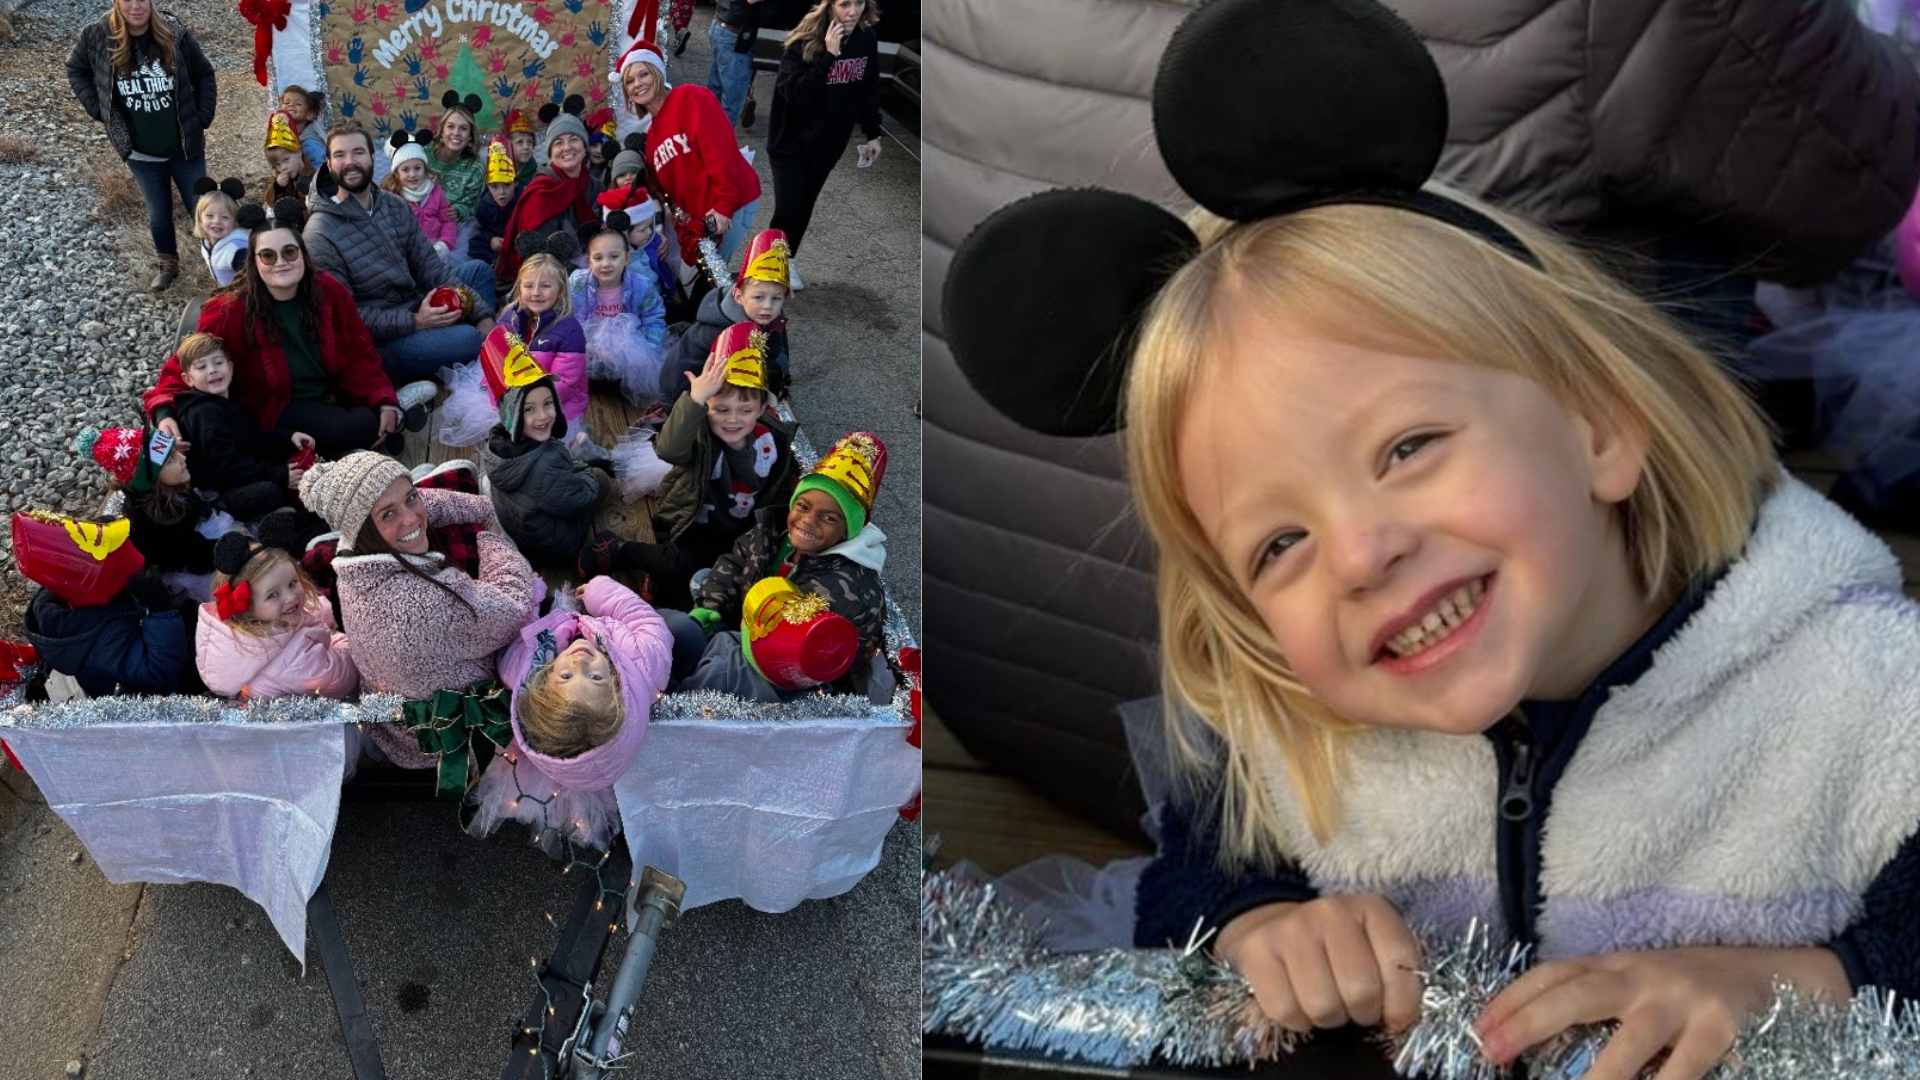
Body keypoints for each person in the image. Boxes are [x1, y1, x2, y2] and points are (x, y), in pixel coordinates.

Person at [940, 3, 1920, 1068]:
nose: (1362, 555)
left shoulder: (1861, 696)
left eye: (1408, 448)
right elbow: (1204, 860)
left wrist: (1819, 983)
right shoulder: (1294, 731)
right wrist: (1255, 924)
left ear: (1599, 423)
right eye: (1280, 545)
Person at [299, 452, 538, 768]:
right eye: (388, 515)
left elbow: (417, 503)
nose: (410, 517)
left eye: (409, 498)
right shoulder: (428, 603)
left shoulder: (351, 551)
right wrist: (493, 536)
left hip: (391, 718)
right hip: (442, 733)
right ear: (365, 528)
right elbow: (514, 604)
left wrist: (481, 506)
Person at [144, 200, 429, 460]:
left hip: (330, 384)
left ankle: (388, 413)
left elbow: (358, 350)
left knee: (385, 363)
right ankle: (375, 428)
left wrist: (383, 399)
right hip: (279, 404)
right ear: (254, 263)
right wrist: (164, 411)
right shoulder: (228, 311)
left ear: (303, 255)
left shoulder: (328, 290)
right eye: (267, 256)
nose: (281, 262)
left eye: (290, 252)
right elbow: (182, 365)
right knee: (361, 425)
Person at [671, 431, 889, 702]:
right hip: (749, 626)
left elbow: (793, 657)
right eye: (803, 506)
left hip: (794, 677)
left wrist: (730, 640)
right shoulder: (774, 531)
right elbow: (735, 561)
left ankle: (679, 707)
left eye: (829, 518)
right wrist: (710, 606)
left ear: (848, 530)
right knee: (683, 622)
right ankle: (669, 676)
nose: (808, 521)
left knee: (727, 667)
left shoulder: (846, 589)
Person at [464, 575, 673, 853]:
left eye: (565, 675)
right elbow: (647, 623)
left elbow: (517, 639)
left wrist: (531, 600)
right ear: (614, 683)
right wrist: (603, 593)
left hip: (563, 625)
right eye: (595, 677)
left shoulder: (519, 670)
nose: (581, 660)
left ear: (543, 681)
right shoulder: (643, 662)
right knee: (680, 625)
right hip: (609, 626)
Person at [594, 327, 796, 611]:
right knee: (676, 569)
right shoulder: (699, 433)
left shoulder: (773, 441)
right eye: (721, 410)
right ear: (707, 406)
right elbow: (668, 448)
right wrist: (695, 401)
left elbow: (778, 488)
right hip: (690, 523)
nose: (733, 420)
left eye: (745, 410)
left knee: (729, 581)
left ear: (763, 407)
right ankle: (624, 551)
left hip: (739, 531)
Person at [305, 122, 498, 384]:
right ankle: (445, 359)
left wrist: (483, 315)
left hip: (416, 302)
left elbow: (432, 268)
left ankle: (463, 352)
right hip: (382, 340)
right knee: (468, 338)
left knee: (478, 271)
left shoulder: (392, 204)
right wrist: (417, 321)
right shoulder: (319, 234)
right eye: (340, 155)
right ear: (328, 163)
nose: (350, 162)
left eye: (358, 152)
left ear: (372, 157)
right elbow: (347, 317)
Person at [65, 0, 217, 292]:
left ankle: (222, 261)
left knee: (203, 206)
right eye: (127, 0)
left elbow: (204, 73)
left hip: (185, 145)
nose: (136, 6)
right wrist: (98, 108)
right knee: (158, 212)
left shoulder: (174, 32)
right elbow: (75, 68)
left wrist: (203, 116)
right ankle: (168, 265)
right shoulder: (97, 35)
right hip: (140, 152)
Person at [16, 509, 202, 697]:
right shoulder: (100, 639)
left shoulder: (68, 587)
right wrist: (160, 611)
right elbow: (160, 671)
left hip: (144, 636)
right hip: (154, 691)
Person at [615, 40, 763, 269]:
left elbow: (721, 153)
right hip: (705, 225)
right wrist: (688, 233)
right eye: (630, 81)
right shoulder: (652, 138)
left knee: (717, 283)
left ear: (657, 72)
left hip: (732, 205)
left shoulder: (690, 98)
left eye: (643, 74)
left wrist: (724, 206)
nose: (638, 84)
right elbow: (675, 198)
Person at [767, 0, 883, 287]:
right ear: (829, 6)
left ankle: (787, 259)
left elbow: (867, 88)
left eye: (859, 3)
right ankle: (771, 266)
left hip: (829, 142)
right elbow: (795, 95)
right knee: (789, 207)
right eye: (845, 4)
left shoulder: (865, 39)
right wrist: (829, 57)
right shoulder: (803, 41)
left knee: (805, 203)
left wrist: (873, 133)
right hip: (790, 143)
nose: (853, 11)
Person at [164, 333, 317, 523]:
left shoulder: (225, 401)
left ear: (230, 367)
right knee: (270, 491)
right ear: (188, 380)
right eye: (202, 367)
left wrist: (288, 437)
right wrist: (279, 474)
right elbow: (226, 468)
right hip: (218, 492)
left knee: (288, 456)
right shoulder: (204, 414)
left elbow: (252, 436)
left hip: (239, 471)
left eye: (218, 363)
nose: (212, 370)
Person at [194, 531, 358, 702]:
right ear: (247, 607)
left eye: (292, 583)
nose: (290, 597)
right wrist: (339, 639)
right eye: (272, 595)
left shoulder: (245, 634)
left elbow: (306, 616)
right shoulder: (293, 661)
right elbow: (343, 679)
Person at [486, 367, 609, 571]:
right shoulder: (547, 462)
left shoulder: (495, 440)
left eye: (547, 403)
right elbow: (578, 499)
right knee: (601, 479)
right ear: (515, 415)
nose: (543, 416)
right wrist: (587, 473)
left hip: (520, 524)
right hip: (552, 546)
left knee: (570, 473)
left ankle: (577, 460)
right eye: (529, 409)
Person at [73, 424, 220, 579]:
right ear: (148, 479)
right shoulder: (156, 518)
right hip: (184, 569)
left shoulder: (168, 488)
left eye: (175, 452)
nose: (182, 458)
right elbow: (188, 555)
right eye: (170, 460)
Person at [659, 228, 790, 400]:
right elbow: (679, 373)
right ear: (738, 296)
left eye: (776, 299)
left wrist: (776, 380)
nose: (767, 306)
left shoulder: (773, 319)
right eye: (758, 297)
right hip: (694, 396)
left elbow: (776, 353)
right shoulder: (714, 331)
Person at [569, 212, 669, 403]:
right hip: (589, 341)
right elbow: (569, 312)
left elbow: (653, 316)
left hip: (628, 344)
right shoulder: (578, 283)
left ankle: (616, 386)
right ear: (589, 261)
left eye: (614, 257)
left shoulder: (641, 285)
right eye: (598, 258)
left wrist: (650, 347)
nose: (606, 264)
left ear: (626, 258)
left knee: (632, 377)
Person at [496, 98, 598, 285]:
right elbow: (538, 257)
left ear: (584, 148)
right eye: (558, 143)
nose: (567, 147)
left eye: (574, 139)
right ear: (550, 154)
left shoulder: (594, 186)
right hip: (547, 279)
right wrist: (585, 276)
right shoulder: (541, 192)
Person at [496, 253, 590, 432]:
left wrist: (527, 404)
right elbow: (497, 358)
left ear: (560, 290)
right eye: (529, 286)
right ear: (520, 289)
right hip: (514, 396)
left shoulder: (570, 331)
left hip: (555, 404)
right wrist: (500, 393)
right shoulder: (509, 318)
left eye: (545, 286)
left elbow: (565, 382)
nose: (536, 292)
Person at [383, 132, 459, 258]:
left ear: (425, 169)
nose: (412, 174)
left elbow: (448, 220)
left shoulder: (435, 191)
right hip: (407, 253)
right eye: (405, 169)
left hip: (436, 249)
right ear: (397, 173)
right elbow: (389, 229)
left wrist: (444, 243)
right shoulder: (392, 197)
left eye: (417, 168)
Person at [426, 91, 487, 224]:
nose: (456, 133)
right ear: (442, 131)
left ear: (470, 136)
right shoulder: (423, 155)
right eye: (450, 126)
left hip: (451, 225)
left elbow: (471, 205)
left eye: (463, 128)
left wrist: (459, 210)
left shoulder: (475, 168)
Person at [705, 0, 761, 132]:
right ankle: (717, 147)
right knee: (730, 104)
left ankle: (705, 143)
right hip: (733, 35)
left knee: (715, 95)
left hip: (726, 29)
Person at [468, 139, 521, 264]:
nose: (501, 192)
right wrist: (490, 240)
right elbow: (479, 233)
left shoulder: (523, 200)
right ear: (487, 185)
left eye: (507, 185)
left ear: (516, 183)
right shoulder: (484, 205)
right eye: (494, 186)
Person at [190, 177, 249, 288]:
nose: (216, 221)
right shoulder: (207, 242)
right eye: (209, 216)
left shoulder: (237, 249)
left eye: (225, 217)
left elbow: (252, 280)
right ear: (200, 218)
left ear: (235, 221)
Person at [263, 110, 313, 205]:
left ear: (299, 152)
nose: (283, 167)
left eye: (286, 160)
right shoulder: (278, 176)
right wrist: (278, 187)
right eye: (277, 164)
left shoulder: (312, 172)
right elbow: (270, 203)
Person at [277, 84, 328, 172]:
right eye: (286, 102)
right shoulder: (287, 136)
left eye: (298, 104)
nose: (291, 105)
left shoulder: (310, 145)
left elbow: (323, 173)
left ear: (309, 114)